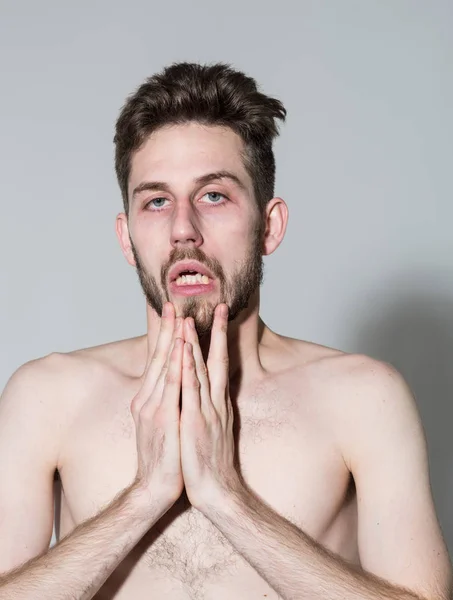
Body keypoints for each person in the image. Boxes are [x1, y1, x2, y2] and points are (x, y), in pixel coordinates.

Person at [0, 62, 451, 600]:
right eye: (156, 201)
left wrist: (226, 496)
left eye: (214, 195)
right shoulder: (47, 397)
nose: (183, 228)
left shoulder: (363, 399)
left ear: (270, 225)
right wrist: (144, 495)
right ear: (126, 237)